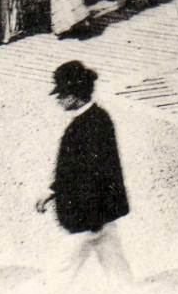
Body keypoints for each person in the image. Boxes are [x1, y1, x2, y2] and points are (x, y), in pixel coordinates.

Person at [38, 60, 132, 281]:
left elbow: (85, 173)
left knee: (62, 270)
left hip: (88, 213)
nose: (58, 99)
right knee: (114, 261)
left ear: (75, 95)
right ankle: (128, 292)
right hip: (103, 212)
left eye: (62, 94)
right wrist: (52, 191)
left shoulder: (86, 126)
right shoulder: (96, 118)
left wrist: (89, 215)